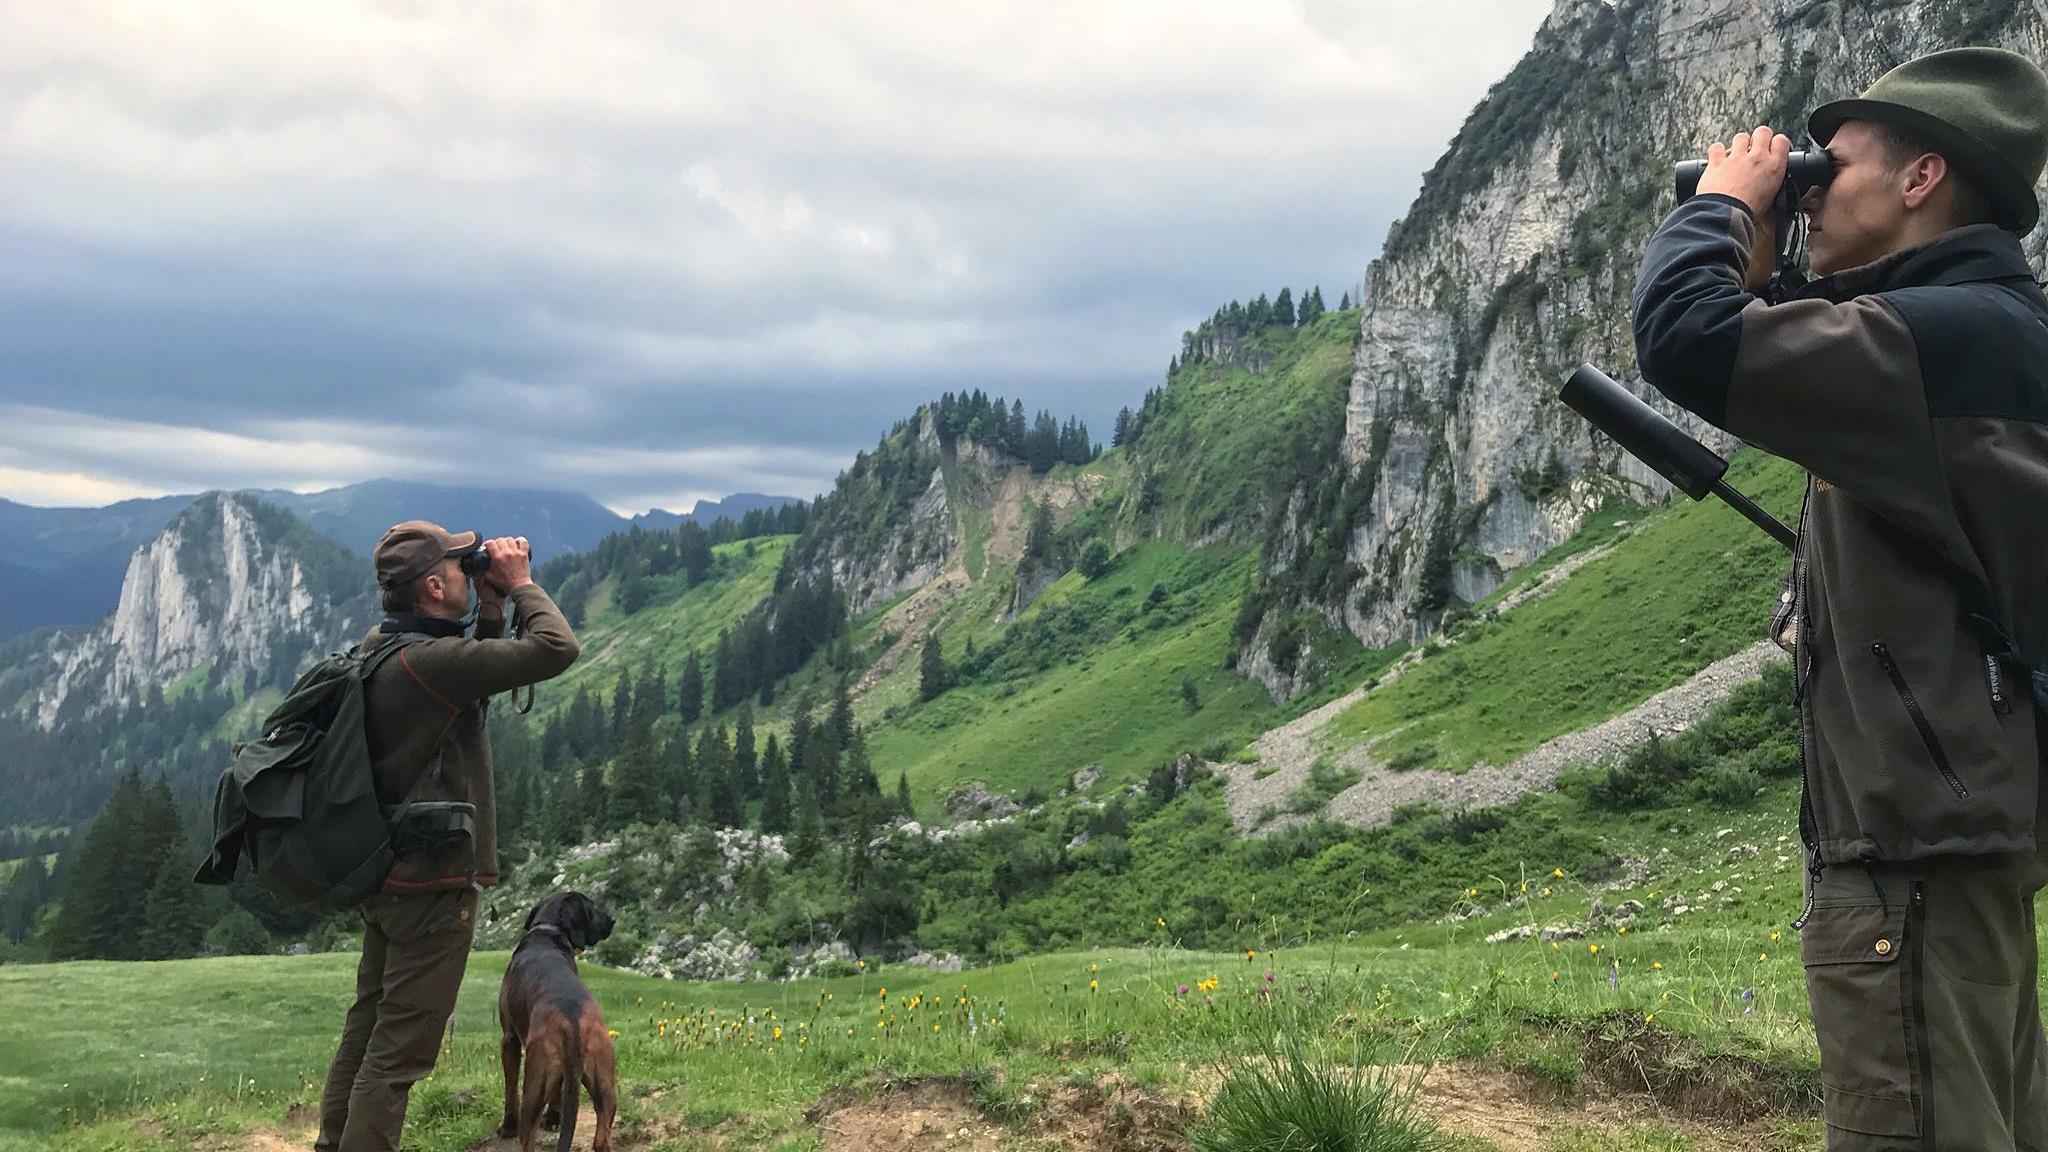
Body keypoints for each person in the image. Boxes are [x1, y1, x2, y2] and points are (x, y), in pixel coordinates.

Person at [1631, 46, 2048, 1147]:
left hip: (1911, 862)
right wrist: (1775, 277)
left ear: (1921, 180)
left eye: (1832, 167)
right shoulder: (1989, 329)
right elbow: (1829, 377)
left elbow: (1685, 337)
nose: (1807, 188)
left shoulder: (1933, 340)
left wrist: (1723, 206)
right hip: (1967, 843)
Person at [316, 522, 580, 1152]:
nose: (472, 568)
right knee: (401, 1050)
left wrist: (487, 605)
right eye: (462, 567)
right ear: (434, 586)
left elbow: (468, 689)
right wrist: (520, 586)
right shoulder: (430, 662)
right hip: (432, 890)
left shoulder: (386, 647)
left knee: (369, 1022)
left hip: (388, 872)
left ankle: (332, 1142)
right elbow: (556, 647)